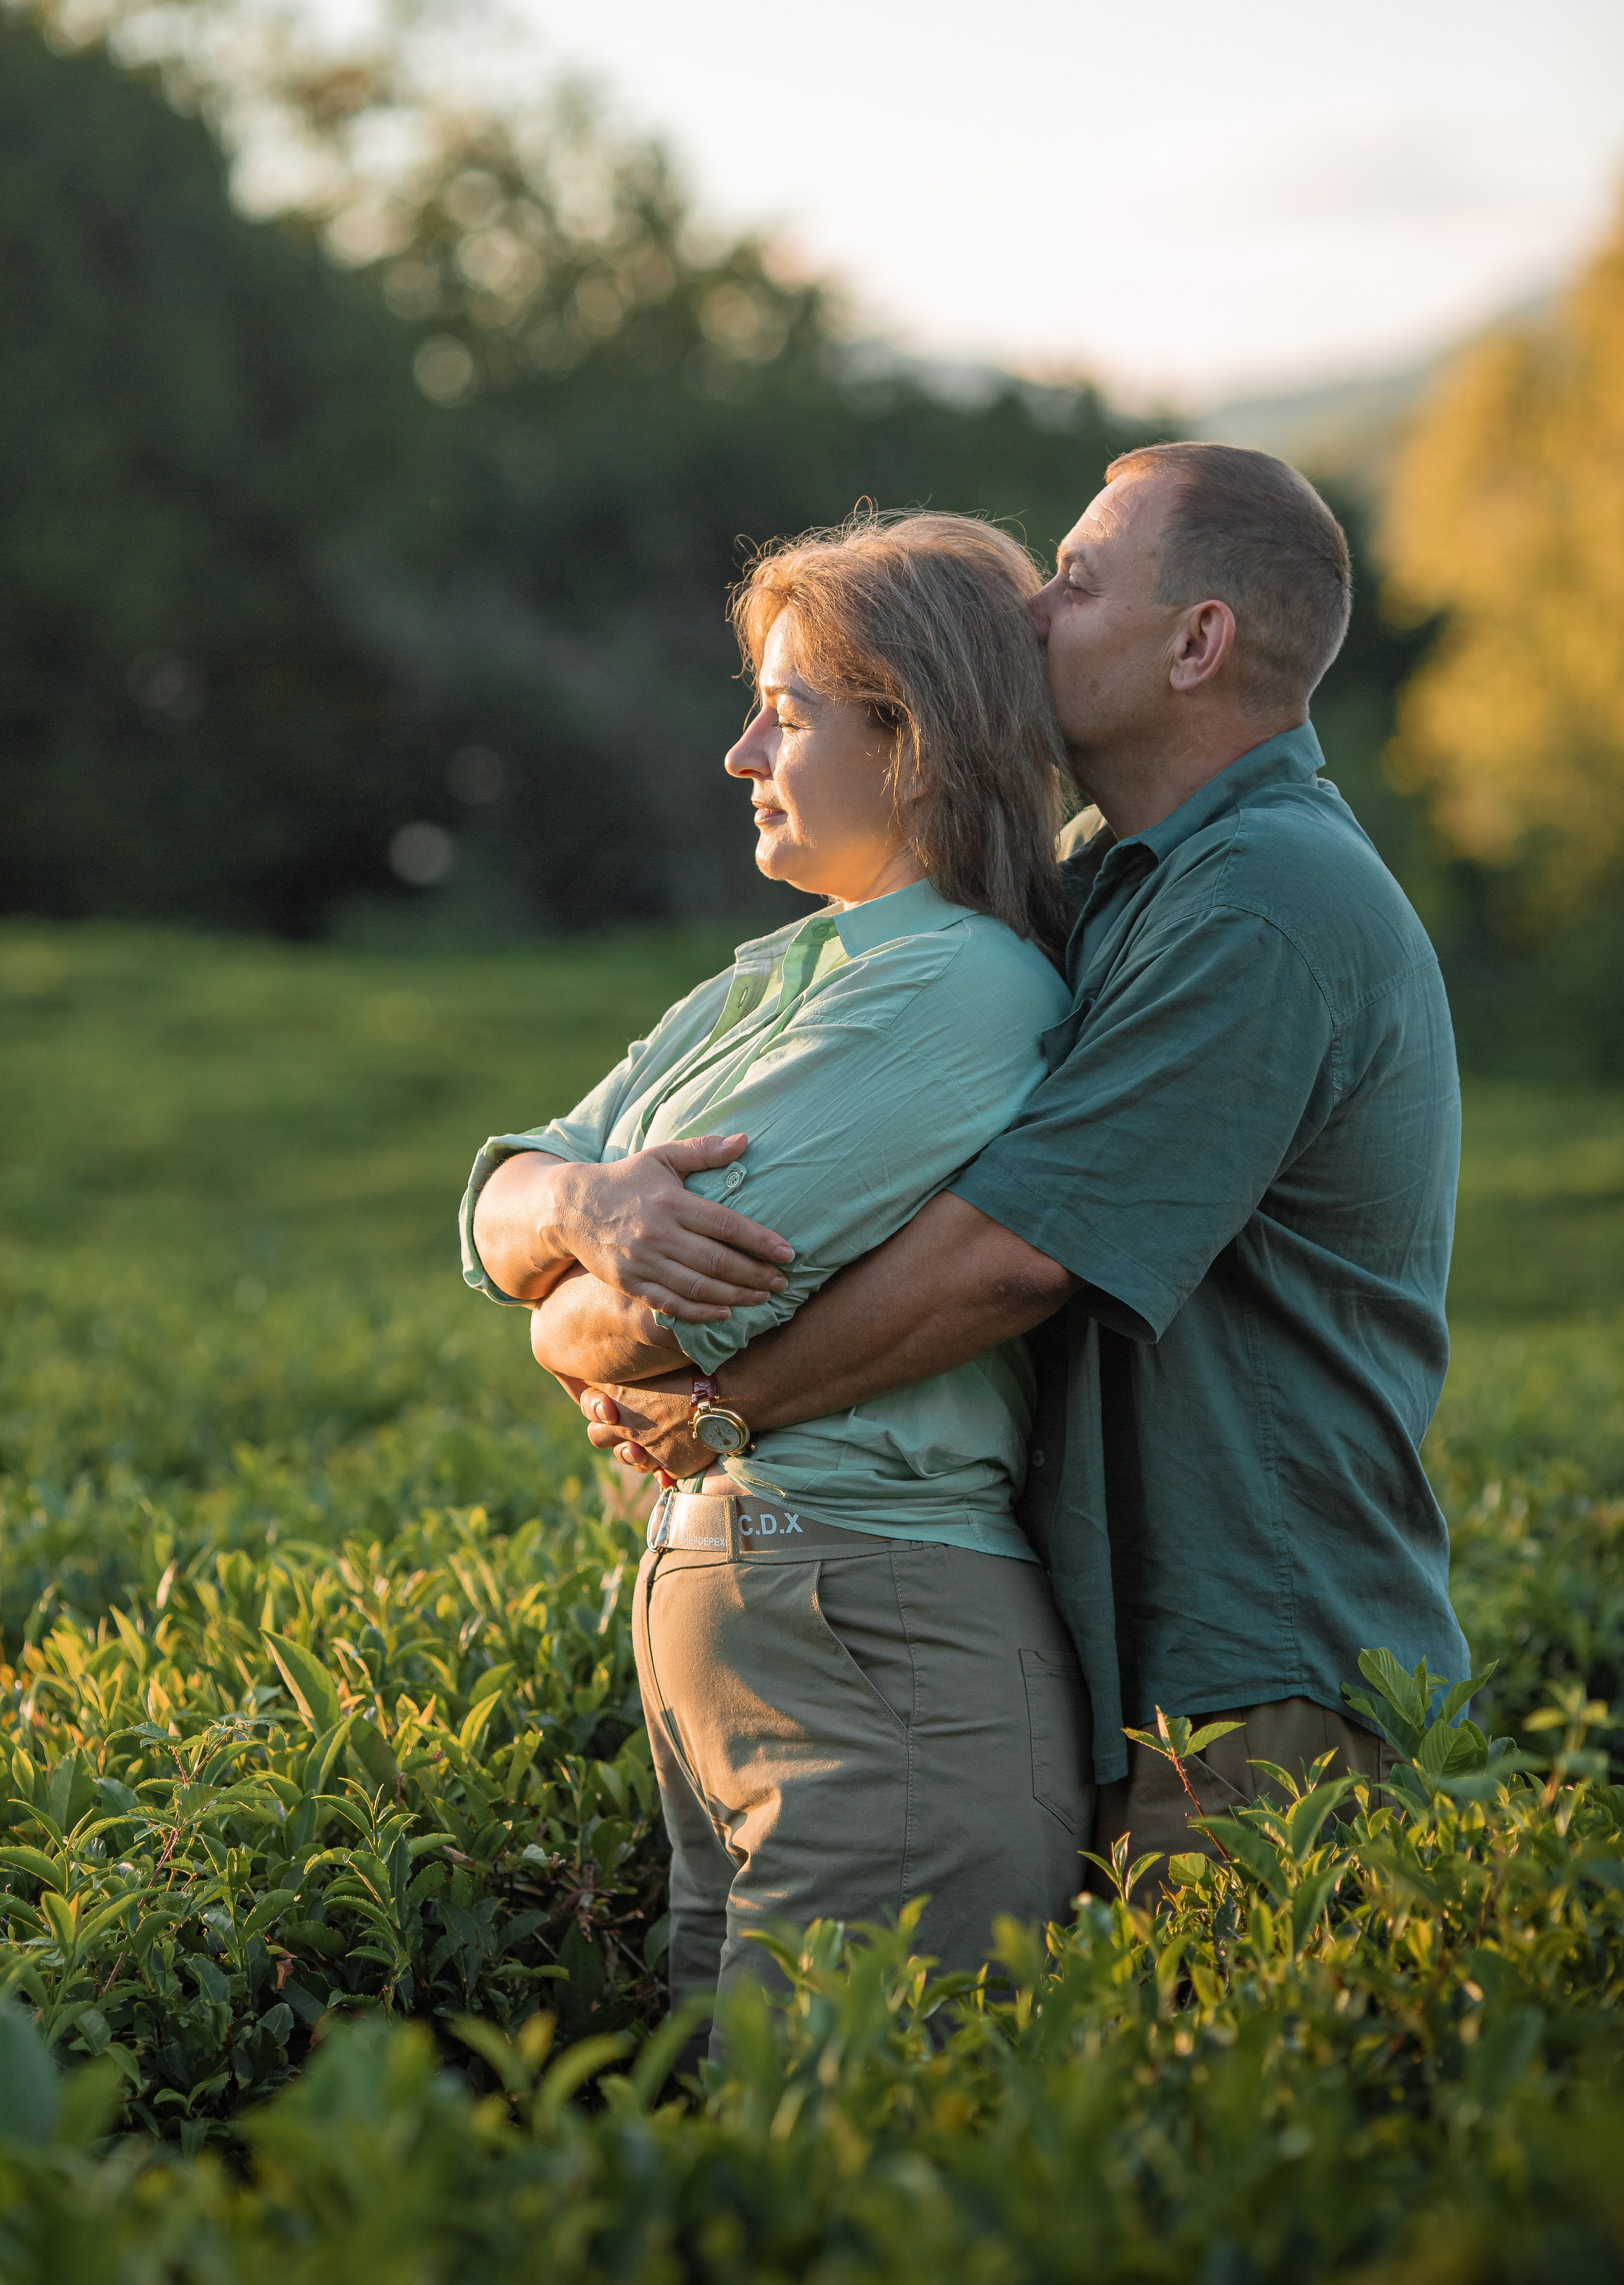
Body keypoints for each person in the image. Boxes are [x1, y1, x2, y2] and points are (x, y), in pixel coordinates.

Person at [571, 443, 1470, 1880]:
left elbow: (1016, 1252)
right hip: (1138, 1639)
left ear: (1197, 644)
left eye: (1075, 580)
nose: (1031, 611)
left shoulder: (1264, 899)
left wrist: (727, 1405)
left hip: (1254, 1665)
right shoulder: (1111, 873)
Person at [462, 511, 1097, 2023]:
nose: (742, 754)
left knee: (844, 2159)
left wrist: (574, 1271)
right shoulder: (786, 971)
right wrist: (584, 1209)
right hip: (777, 1613)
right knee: (749, 2150)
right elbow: (496, 1201)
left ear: (920, 740)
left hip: (875, 1631)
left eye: (786, 712)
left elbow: (638, 1331)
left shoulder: (955, 988)